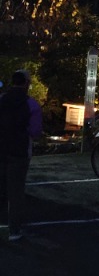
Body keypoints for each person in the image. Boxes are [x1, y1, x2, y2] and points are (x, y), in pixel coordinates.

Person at [0, 69, 43, 242]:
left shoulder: (2, 99)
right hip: (19, 151)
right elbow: (35, 131)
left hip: (0, 149)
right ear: (26, 83)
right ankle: (14, 230)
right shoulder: (31, 104)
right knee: (16, 191)